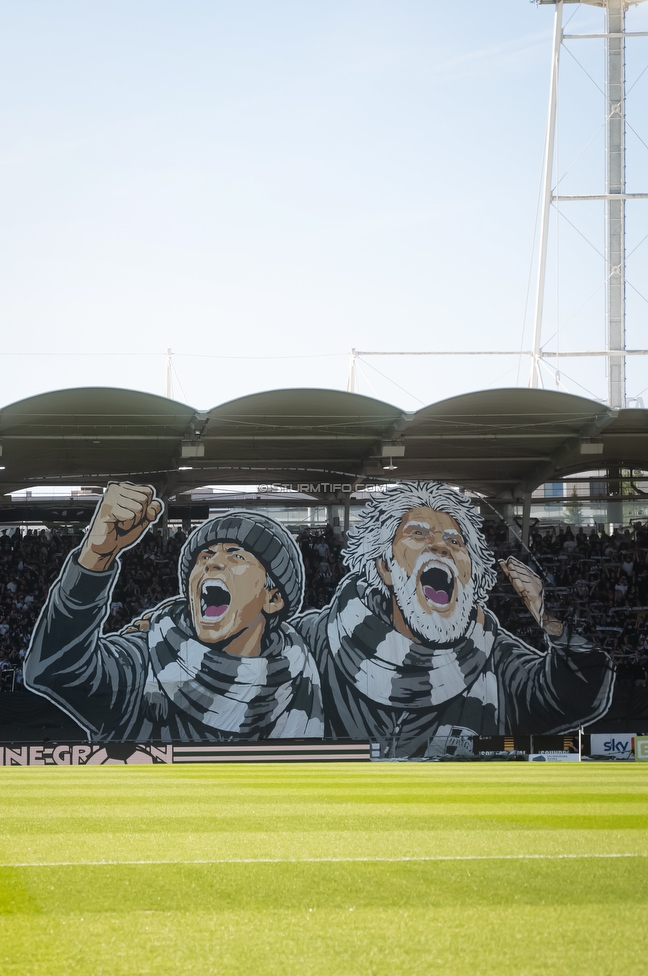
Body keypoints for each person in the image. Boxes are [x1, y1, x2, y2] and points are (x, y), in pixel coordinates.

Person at [293, 482, 615, 757]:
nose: (440, 546)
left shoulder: (495, 656)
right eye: (418, 534)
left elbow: (576, 696)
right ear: (385, 567)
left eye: (455, 541)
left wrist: (547, 621)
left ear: (469, 572)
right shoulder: (316, 641)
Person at [25, 483, 323, 742]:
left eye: (236, 555)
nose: (212, 563)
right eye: (205, 555)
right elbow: (55, 670)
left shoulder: (304, 674)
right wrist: (94, 558)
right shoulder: (143, 662)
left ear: (273, 598)